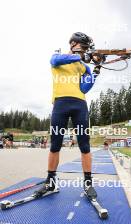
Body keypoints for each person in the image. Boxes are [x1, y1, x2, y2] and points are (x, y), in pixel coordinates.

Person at [35, 32, 101, 198]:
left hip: (79, 104)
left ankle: (88, 184)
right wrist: (80, 57)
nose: (85, 50)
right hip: (60, 103)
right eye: (82, 46)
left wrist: (97, 67)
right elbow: (54, 61)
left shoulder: (83, 66)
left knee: (84, 145)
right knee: (55, 144)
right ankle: (50, 182)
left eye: (86, 48)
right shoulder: (59, 56)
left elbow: (85, 88)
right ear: (72, 44)